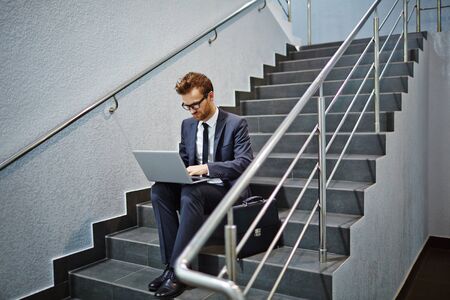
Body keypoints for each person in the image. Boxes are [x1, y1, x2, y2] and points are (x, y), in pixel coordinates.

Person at [148, 72, 253, 298]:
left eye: (196, 104)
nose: (192, 110)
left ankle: (178, 273)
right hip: (194, 187)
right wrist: (170, 171)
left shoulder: (235, 124)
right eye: (187, 106)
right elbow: (184, 161)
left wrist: (206, 168)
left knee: (190, 193)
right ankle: (171, 267)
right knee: (159, 191)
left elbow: (244, 162)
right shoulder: (187, 125)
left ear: (211, 96)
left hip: (224, 189)